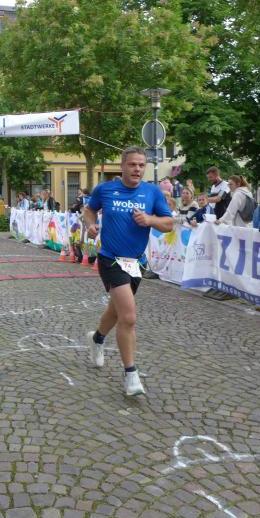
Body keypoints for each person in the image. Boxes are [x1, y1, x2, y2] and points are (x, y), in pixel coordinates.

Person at [83, 146, 174, 396]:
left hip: (136, 263)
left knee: (116, 312)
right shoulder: (105, 189)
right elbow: (89, 210)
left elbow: (168, 223)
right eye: (132, 164)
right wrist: (91, 225)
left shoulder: (152, 192)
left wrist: (150, 220)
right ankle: (130, 374)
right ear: (122, 166)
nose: (137, 169)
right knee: (129, 316)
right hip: (110, 259)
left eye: (141, 165)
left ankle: (97, 339)